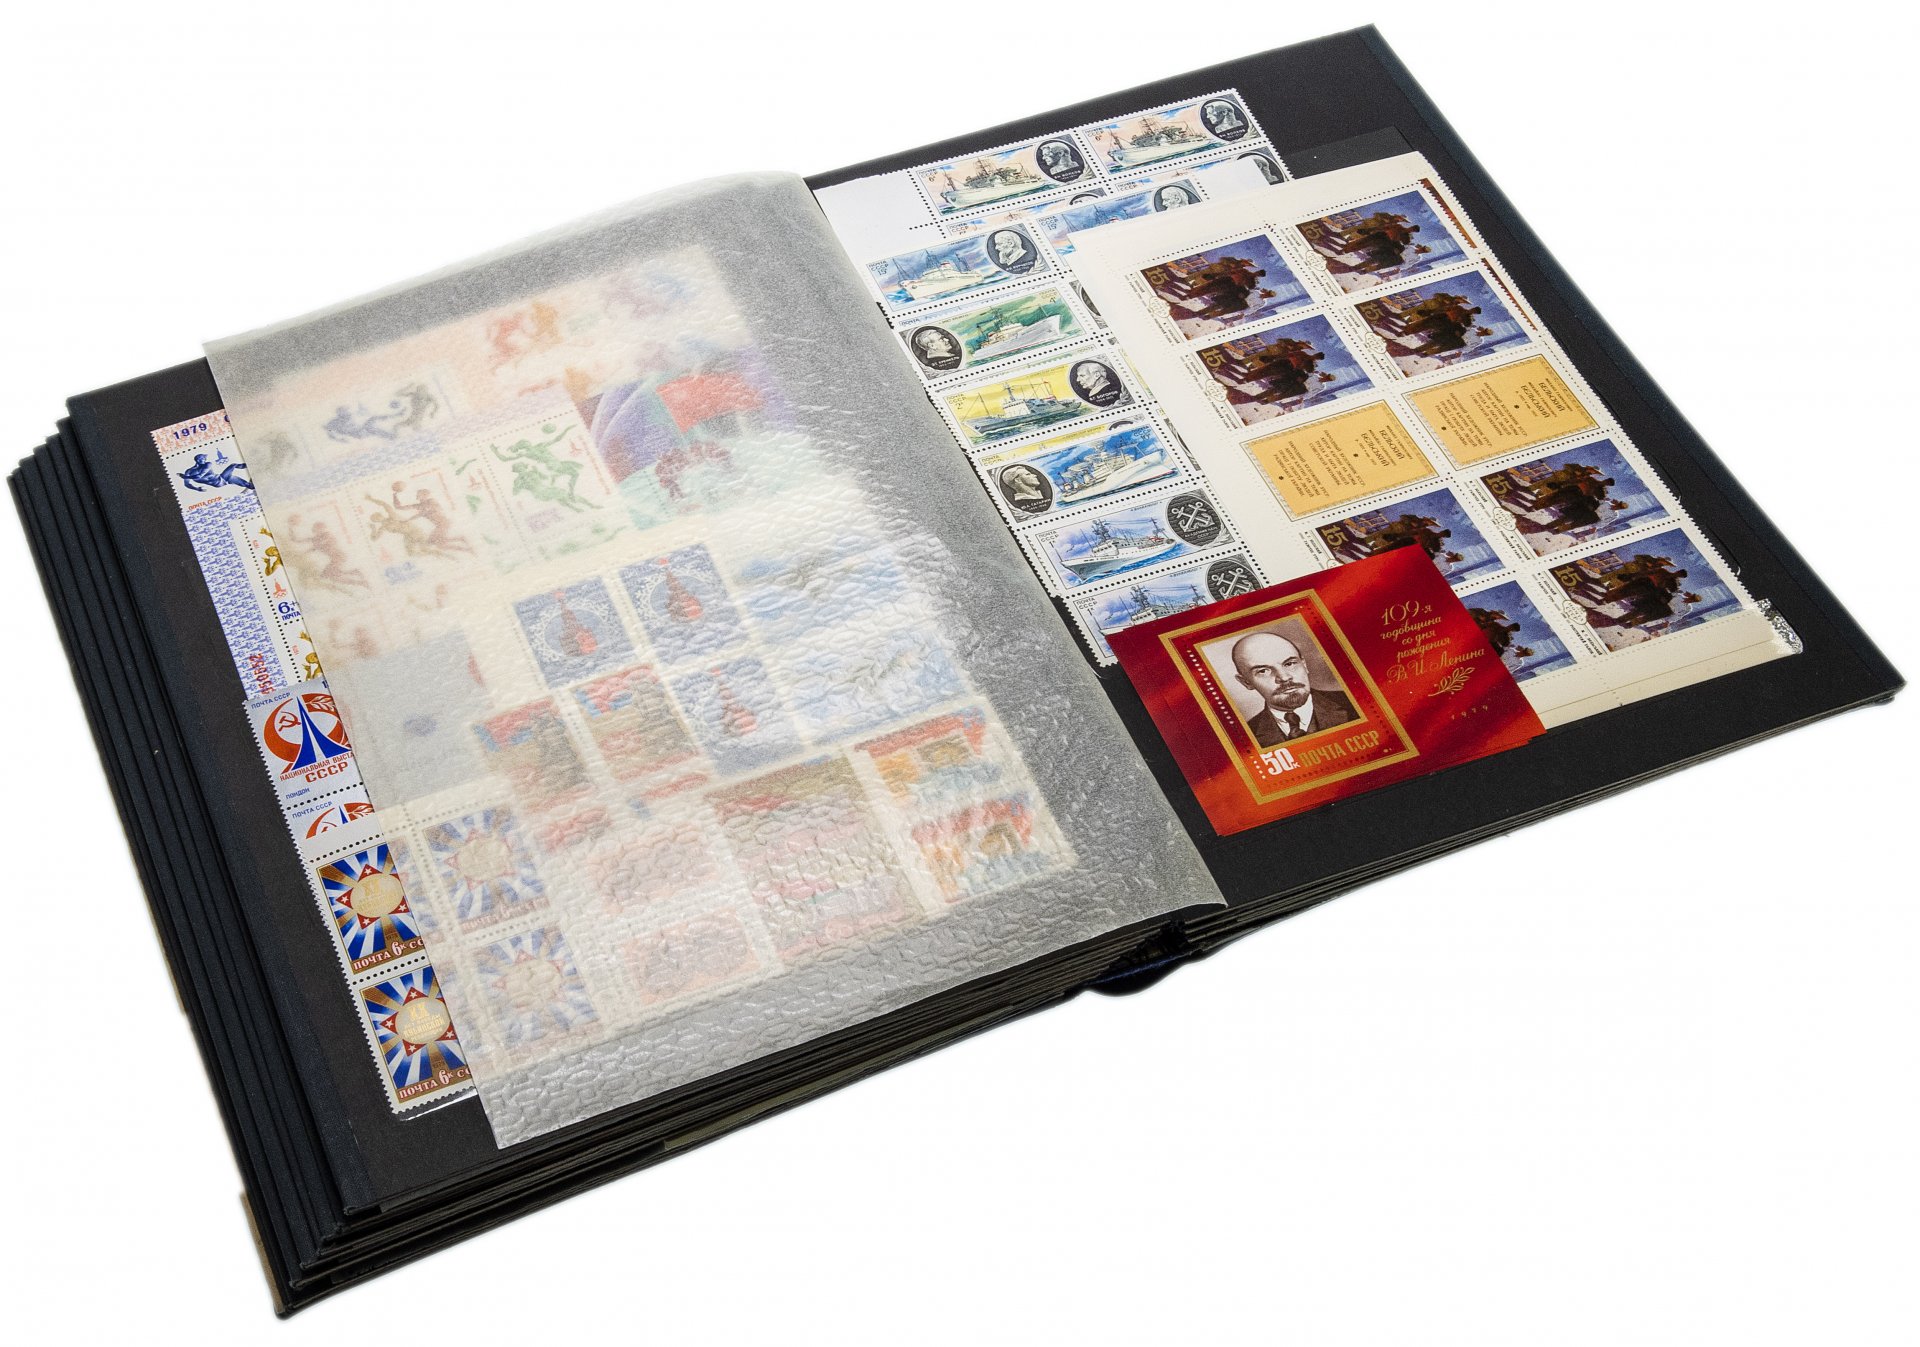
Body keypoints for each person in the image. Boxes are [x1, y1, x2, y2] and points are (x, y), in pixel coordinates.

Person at [1228, 629, 1358, 747]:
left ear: (1304, 665)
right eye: (1263, 671)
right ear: (1246, 682)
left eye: (1290, 664)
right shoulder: (1244, 740)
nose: (1284, 678)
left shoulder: (1354, 703)